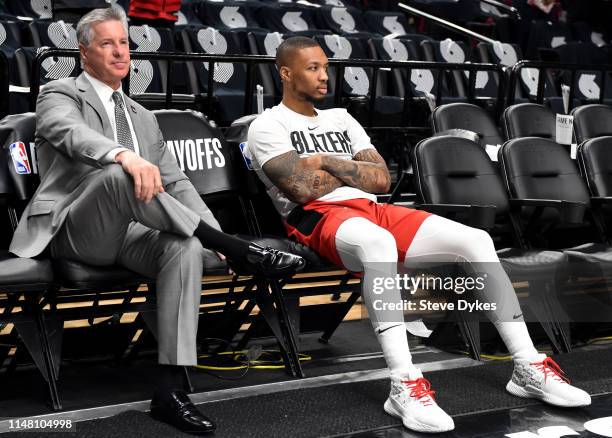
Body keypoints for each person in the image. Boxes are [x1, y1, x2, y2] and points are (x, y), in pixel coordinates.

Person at [246, 36, 591, 434]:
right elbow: (300, 190)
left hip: (371, 209)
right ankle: (403, 384)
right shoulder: (268, 125)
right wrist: (347, 172)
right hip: (317, 218)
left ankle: (528, 366)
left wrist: (325, 160)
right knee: (379, 244)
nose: (325, 76)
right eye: (313, 68)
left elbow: (379, 179)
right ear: (286, 72)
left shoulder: (341, 117)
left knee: (475, 241)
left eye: (326, 66)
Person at [9, 7, 304, 436]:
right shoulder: (60, 93)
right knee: (120, 173)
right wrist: (122, 154)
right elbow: (67, 132)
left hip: (130, 233)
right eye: (107, 43)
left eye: (124, 43)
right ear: (84, 52)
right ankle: (246, 253)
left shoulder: (143, 116)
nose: (119, 51)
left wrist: (214, 239)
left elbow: (177, 182)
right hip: (75, 227)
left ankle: (169, 389)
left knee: (183, 247)